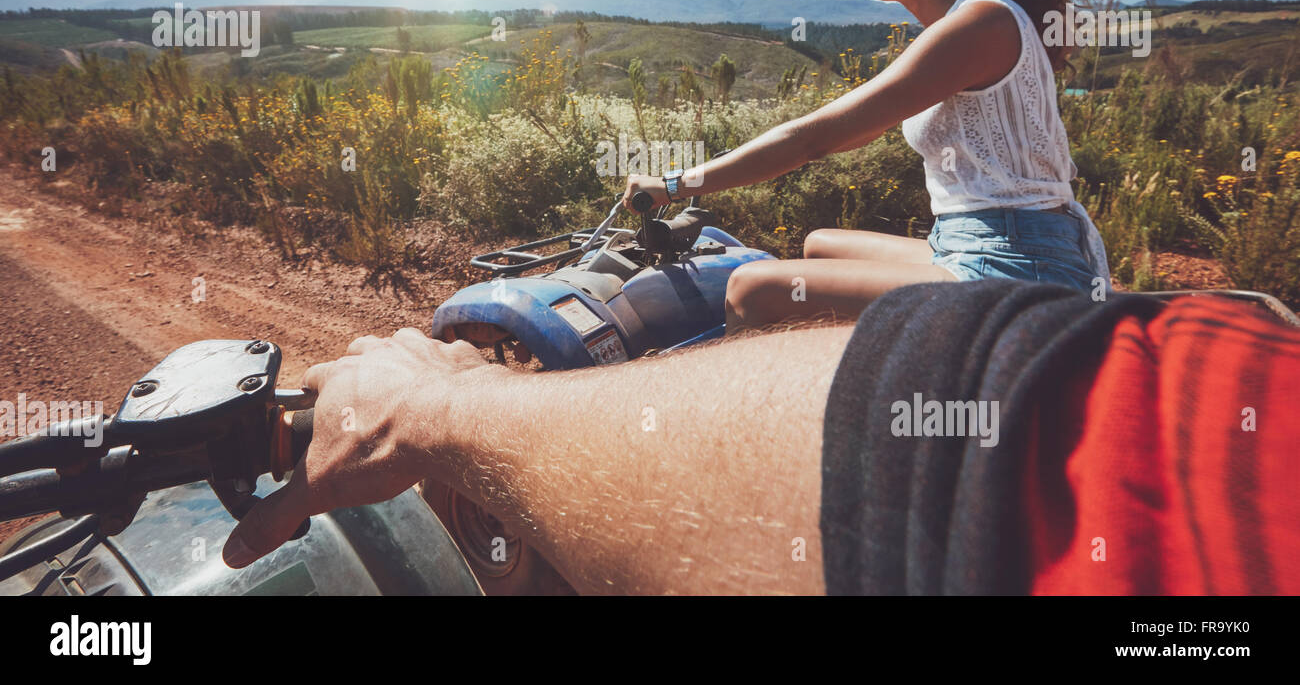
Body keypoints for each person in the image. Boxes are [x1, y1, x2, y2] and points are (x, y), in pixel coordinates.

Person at [220, 280, 1300, 596]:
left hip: (1024, 288)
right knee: (783, 268)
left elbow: (952, 453)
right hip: (1047, 275)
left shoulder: (974, 18)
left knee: (749, 282)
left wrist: (438, 409)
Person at [622, 0, 1109, 332]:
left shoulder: (980, 22)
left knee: (752, 289)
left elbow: (811, 140)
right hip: (977, 242)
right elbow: (839, 135)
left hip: (1017, 263)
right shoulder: (974, 19)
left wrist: (672, 185)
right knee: (817, 244)